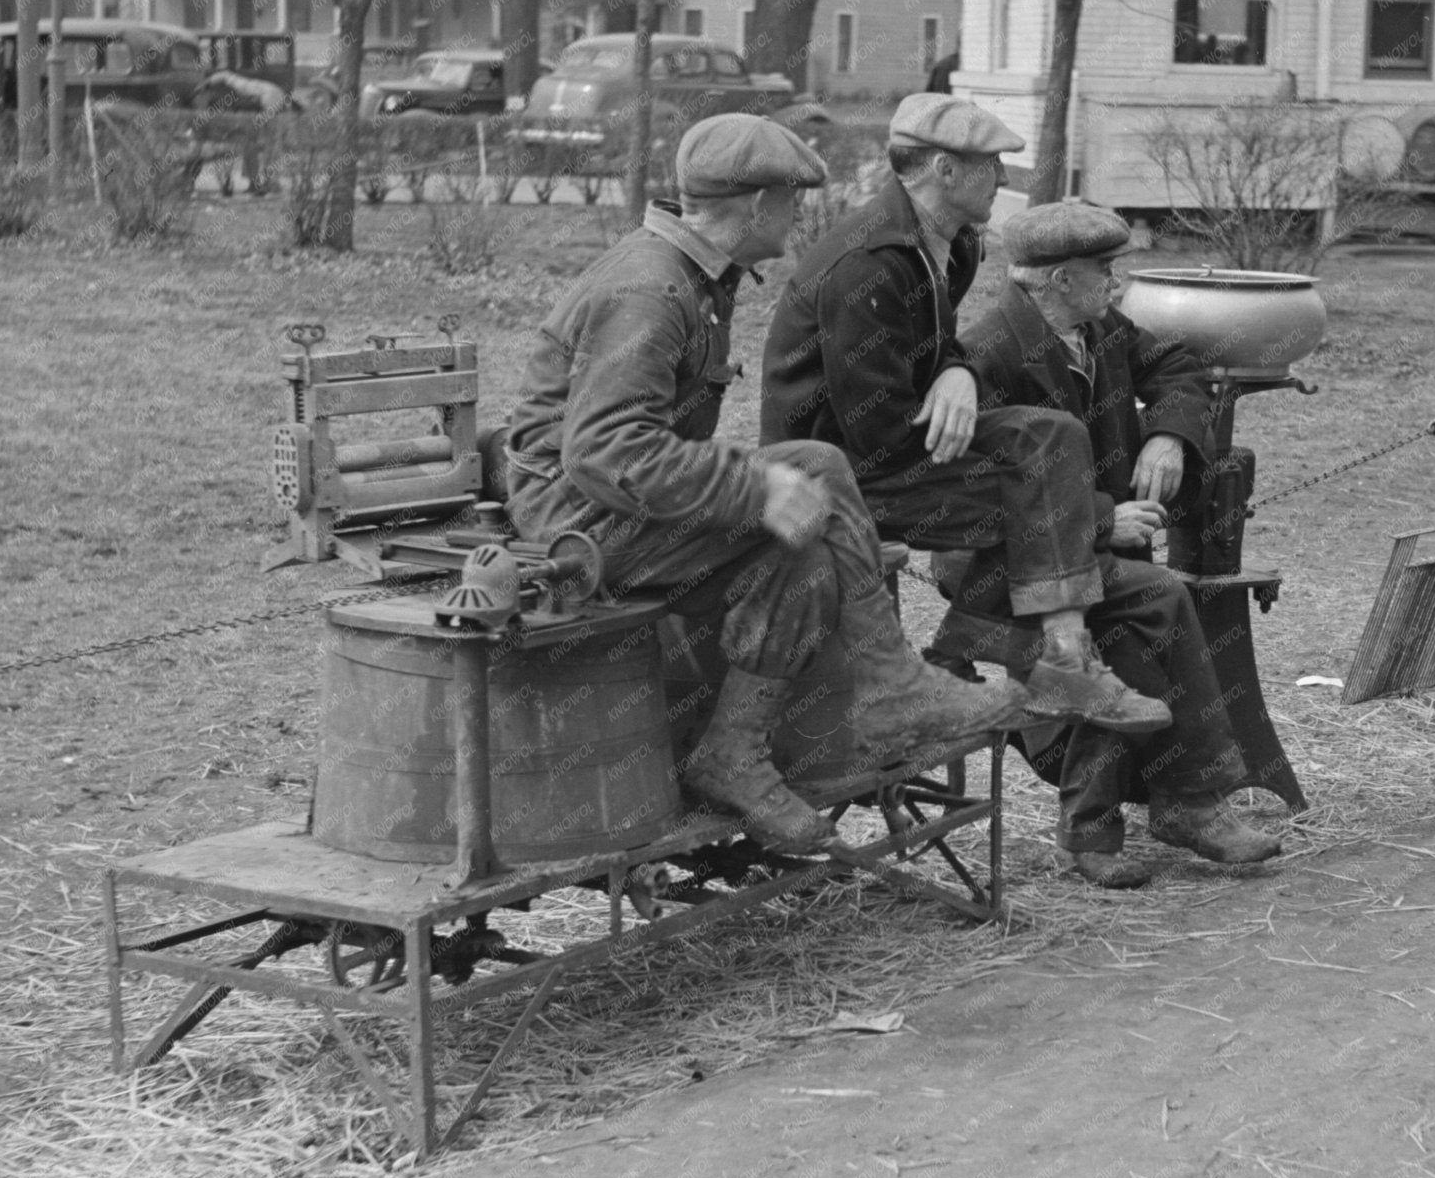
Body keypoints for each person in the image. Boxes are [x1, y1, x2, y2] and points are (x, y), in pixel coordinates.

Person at [504, 112, 1023, 856]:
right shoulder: (652, 290)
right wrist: (752, 490)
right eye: (790, 199)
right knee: (813, 467)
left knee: (808, 554)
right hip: (578, 525)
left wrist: (753, 492)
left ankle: (733, 755)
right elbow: (604, 453)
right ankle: (893, 686)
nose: (799, 213)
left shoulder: (695, 276)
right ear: (754, 207)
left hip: (617, 506)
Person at [759, 93, 1169, 737]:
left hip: (904, 439)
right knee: (1043, 498)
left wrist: (959, 370)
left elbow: (941, 348)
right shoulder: (869, 263)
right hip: (834, 475)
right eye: (991, 166)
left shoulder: (952, 244)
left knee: (1051, 435)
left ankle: (1035, 656)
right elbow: (876, 434)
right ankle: (1023, 654)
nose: (1004, 180)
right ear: (945, 171)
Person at [942, 200, 1285, 887]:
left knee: (1131, 647)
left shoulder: (1097, 330)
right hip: (1007, 571)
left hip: (1091, 565)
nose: (1116, 285)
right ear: (1062, 280)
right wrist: (1104, 520)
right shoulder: (988, 354)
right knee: (1151, 602)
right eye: (1105, 270)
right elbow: (977, 494)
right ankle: (1186, 802)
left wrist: (1167, 433)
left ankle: (1106, 829)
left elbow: (1178, 367)